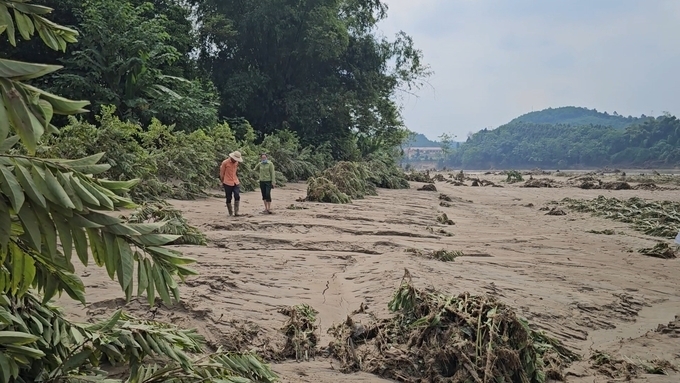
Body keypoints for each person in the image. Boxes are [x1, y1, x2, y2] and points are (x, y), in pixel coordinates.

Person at [219, 151, 243, 216]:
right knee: (228, 197)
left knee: (237, 195)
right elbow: (222, 173)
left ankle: (236, 212)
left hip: (235, 181)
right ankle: (230, 212)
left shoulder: (236, 163)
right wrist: (222, 181)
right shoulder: (225, 163)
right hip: (227, 182)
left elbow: (235, 172)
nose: (236, 160)